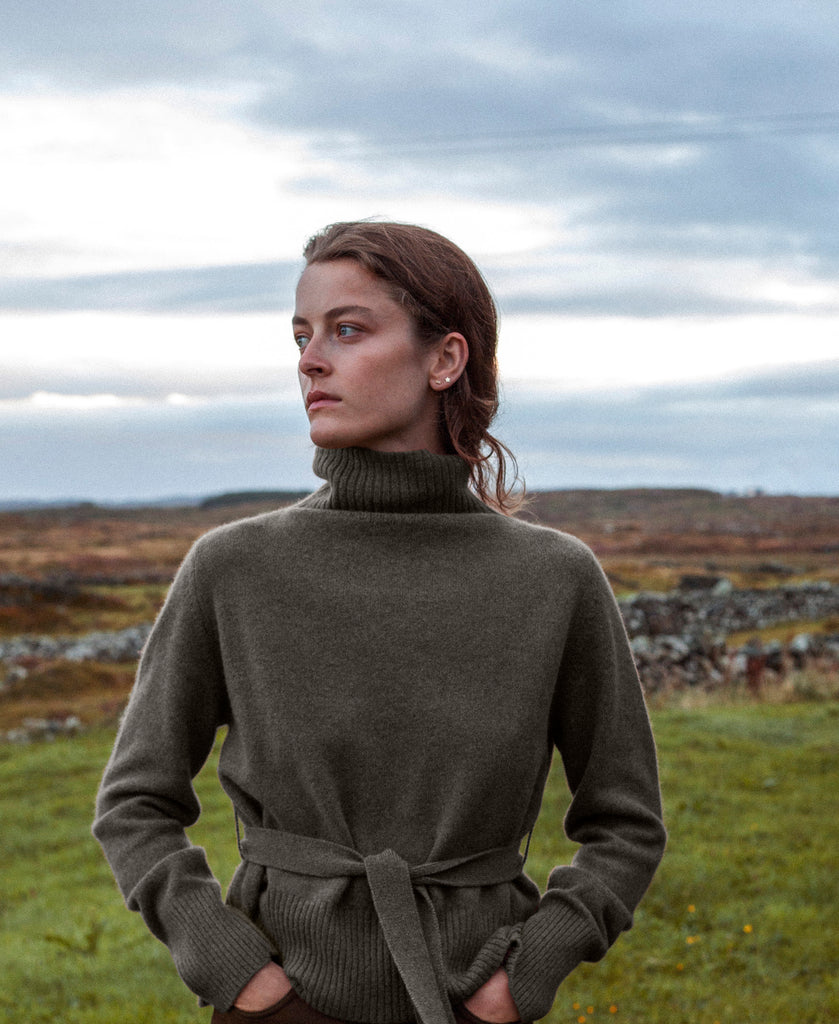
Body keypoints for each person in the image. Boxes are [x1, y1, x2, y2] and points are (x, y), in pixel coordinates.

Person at [92, 221, 667, 1024]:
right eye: (301, 335)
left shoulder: (553, 578)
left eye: (347, 329)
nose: (308, 360)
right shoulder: (233, 567)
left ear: (444, 359)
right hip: (275, 1009)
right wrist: (242, 978)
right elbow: (134, 803)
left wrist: (522, 976)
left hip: (473, 1005)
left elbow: (625, 822)